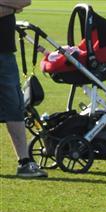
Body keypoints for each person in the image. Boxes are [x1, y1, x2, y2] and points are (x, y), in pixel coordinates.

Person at [0, 0, 47, 178]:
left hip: (5, 54)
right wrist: (11, 7)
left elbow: (24, 1)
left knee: (15, 106)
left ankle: (24, 162)